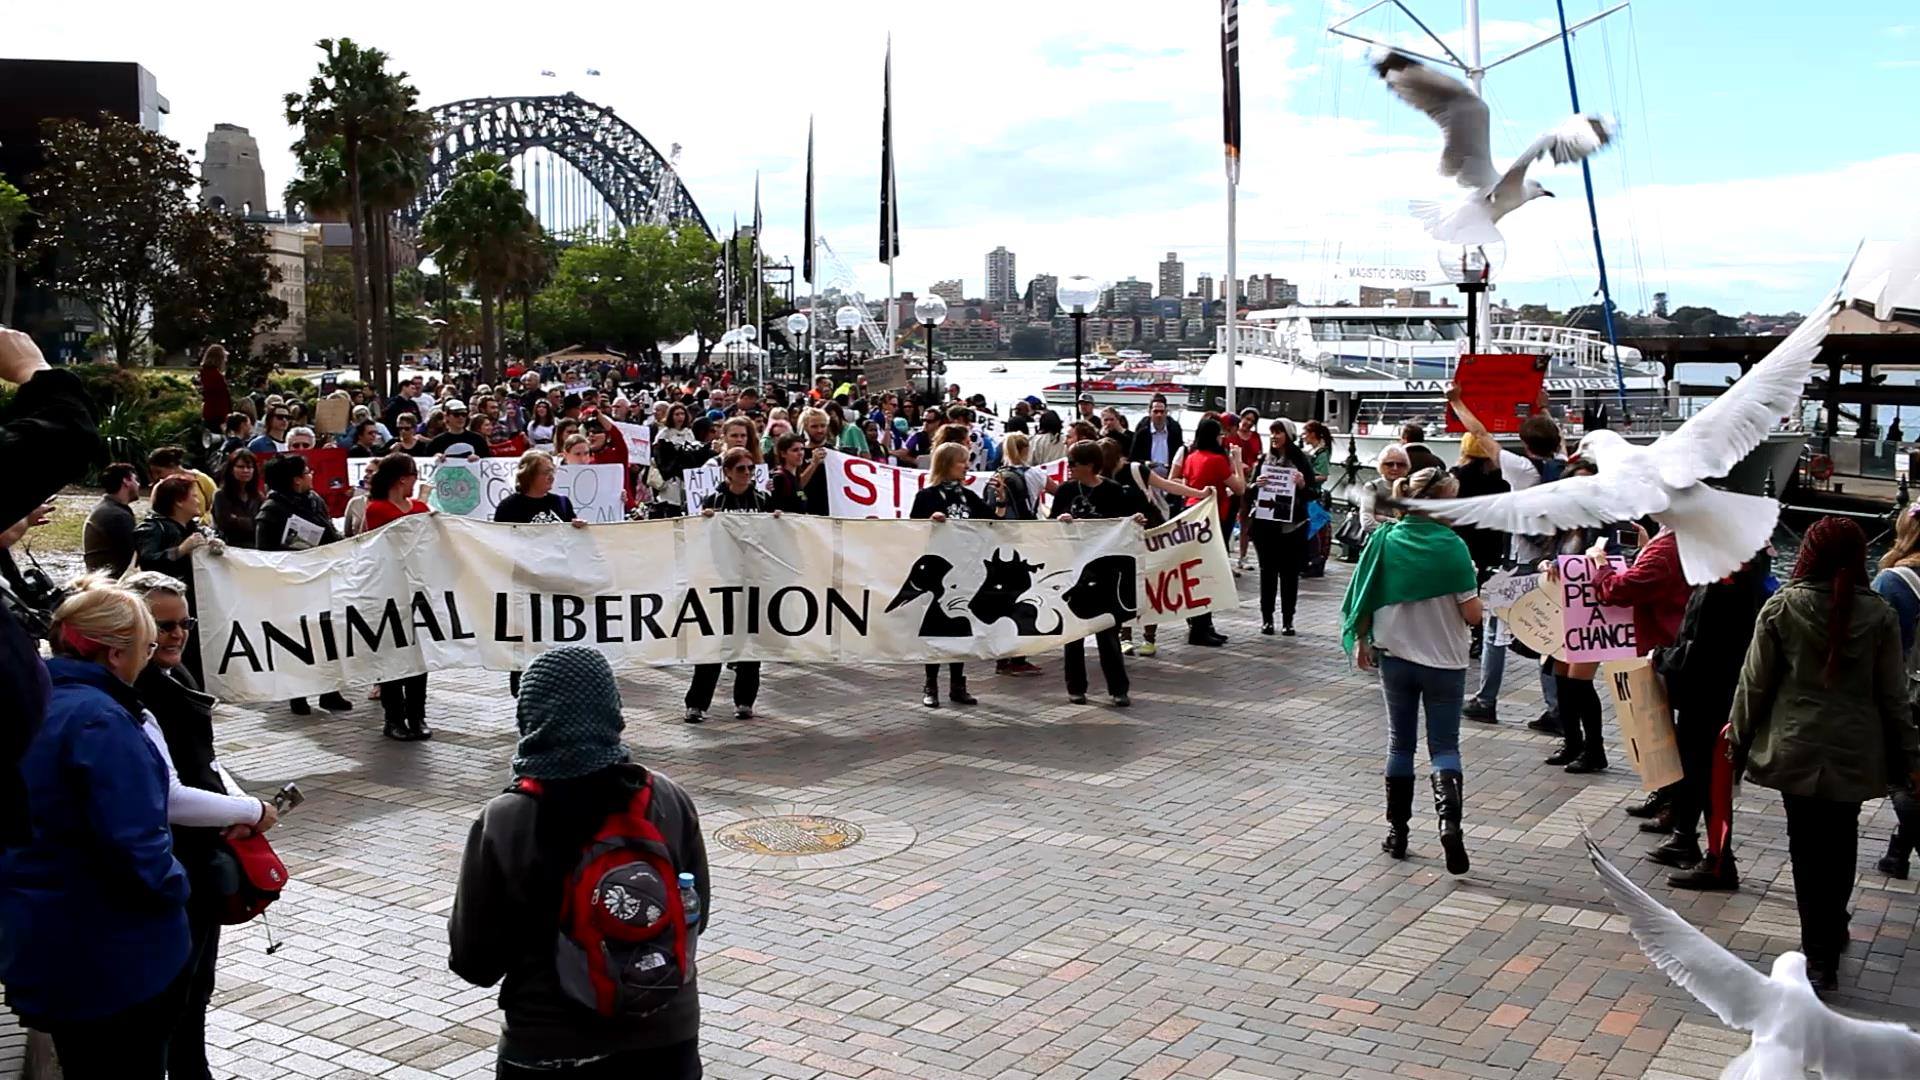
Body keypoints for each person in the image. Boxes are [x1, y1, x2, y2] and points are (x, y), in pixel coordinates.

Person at [451, 646, 708, 1079]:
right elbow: (695, 915)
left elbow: (474, 962)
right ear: (613, 710)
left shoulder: (507, 819)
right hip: (666, 1034)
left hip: (550, 1044)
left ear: (530, 719)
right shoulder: (667, 798)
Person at [0, 577, 190, 1078]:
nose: (150, 657)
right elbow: (136, 844)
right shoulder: (99, 720)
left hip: (43, 932)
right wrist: (177, 887)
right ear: (114, 655)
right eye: (147, 645)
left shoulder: (31, 700)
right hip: (110, 950)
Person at [1731, 517, 1920, 993]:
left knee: (1805, 847)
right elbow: (1894, 696)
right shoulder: (1878, 615)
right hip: (1855, 750)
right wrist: (1909, 756)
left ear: (1809, 553)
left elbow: (1754, 685)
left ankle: (1817, 952)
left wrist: (1738, 740)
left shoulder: (1783, 607)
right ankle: (1830, 934)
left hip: (1796, 746)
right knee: (1841, 842)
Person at [125, 571, 277, 1080]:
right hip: (168, 860)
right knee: (170, 990)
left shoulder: (178, 675)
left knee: (197, 984)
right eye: (162, 625)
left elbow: (204, 762)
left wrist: (235, 804)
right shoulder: (133, 693)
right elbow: (166, 795)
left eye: (184, 623)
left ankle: (194, 1068)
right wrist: (248, 812)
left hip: (200, 853)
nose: (176, 635)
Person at [1341, 467, 1482, 875]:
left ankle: (1397, 833)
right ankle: (1449, 825)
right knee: (1445, 747)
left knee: (1400, 744)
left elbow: (1365, 594)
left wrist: (1363, 641)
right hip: (1445, 661)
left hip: (1396, 656)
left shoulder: (1387, 540)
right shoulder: (1454, 547)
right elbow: (1472, 615)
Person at [1656, 551, 1769, 893]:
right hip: (1713, 692)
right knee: (1695, 771)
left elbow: (1700, 647)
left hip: (1709, 694)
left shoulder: (1725, 583)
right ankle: (1685, 838)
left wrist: (1662, 657)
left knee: (1710, 778)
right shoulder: (1736, 576)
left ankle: (1719, 859)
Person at [254, 454, 356, 716]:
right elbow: (264, 554)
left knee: (327, 637)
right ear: (296, 480)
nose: (312, 475)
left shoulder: (314, 501)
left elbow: (330, 534)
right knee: (296, 641)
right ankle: (297, 694)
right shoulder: (271, 511)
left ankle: (330, 691)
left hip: (320, 579)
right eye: (307, 472)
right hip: (291, 586)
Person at [910, 443, 1009, 707]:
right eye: (961, 462)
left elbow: (992, 523)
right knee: (934, 629)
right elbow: (912, 529)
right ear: (946, 464)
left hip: (963, 572)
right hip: (936, 575)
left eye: (967, 461)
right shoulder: (926, 496)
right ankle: (931, 684)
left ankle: (957, 684)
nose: (966, 467)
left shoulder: (968, 496)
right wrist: (931, 521)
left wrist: (1000, 501)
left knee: (959, 626)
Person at [684, 448, 777, 724]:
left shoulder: (762, 500)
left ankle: (745, 700)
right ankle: (697, 704)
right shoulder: (714, 499)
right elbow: (700, 539)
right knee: (713, 642)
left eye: (751, 469)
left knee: (749, 640)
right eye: (741, 469)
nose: (747, 474)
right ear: (727, 472)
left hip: (752, 578)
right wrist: (705, 519)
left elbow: (774, 538)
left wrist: (779, 520)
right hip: (721, 581)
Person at [1050, 440, 1143, 706]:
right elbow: (1050, 524)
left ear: (1089, 466)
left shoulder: (1113, 490)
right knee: (1074, 634)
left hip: (1105, 574)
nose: (1068, 468)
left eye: (1073, 464)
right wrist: (1060, 521)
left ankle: (1118, 688)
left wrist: (1135, 522)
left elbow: (1125, 525)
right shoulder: (1066, 491)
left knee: (1107, 632)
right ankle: (1076, 687)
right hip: (1073, 572)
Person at [363, 453, 434, 740]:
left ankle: (417, 716)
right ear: (402, 478)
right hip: (388, 587)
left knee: (418, 655)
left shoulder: (418, 506)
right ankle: (394, 718)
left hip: (416, 587)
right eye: (413, 475)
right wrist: (422, 512)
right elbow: (398, 534)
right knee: (393, 654)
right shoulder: (377, 508)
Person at [1872, 507, 1920, 881]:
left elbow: (1870, 643)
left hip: (1905, 693)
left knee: (1901, 775)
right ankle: (1897, 851)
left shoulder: (1893, 582)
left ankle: (1903, 847)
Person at [1177, 417, 1247, 647]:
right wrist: (1237, 461)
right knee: (1207, 573)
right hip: (1211, 521)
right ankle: (1200, 627)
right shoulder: (1217, 459)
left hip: (1192, 516)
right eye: (1219, 434)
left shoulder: (1191, 457)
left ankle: (1203, 624)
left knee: (1198, 571)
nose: (1222, 438)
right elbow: (1239, 487)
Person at [1246, 419, 1319, 636]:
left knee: (1289, 575)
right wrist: (1255, 485)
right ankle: (1267, 619)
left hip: (1292, 528)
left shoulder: (1302, 461)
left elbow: (1314, 493)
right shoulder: (1263, 460)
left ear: (1289, 435)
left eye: (1279, 432)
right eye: (1272, 432)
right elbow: (1249, 491)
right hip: (1265, 528)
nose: (1275, 437)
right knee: (1267, 575)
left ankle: (1288, 620)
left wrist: (1303, 485)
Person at [82, 461, 141, 575]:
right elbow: (136, 557)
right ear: (126, 481)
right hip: (112, 583)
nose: (138, 484)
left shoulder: (108, 508)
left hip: (101, 580)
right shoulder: (116, 515)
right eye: (135, 480)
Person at [210, 449, 263, 548]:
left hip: (254, 550)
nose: (245, 470)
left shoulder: (258, 497)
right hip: (230, 548)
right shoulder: (221, 495)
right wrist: (251, 522)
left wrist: (238, 520)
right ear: (231, 469)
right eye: (240, 467)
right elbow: (225, 524)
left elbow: (261, 527)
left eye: (249, 467)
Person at [146, 446, 217, 511]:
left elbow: (217, 506)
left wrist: (204, 520)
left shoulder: (201, 480)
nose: (156, 477)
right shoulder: (160, 487)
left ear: (172, 465)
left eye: (159, 472)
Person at [1130, 396, 1184, 477]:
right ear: (1149, 412)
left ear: (1166, 412)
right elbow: (1133, 457)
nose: (1159, 415)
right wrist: (1146, 463)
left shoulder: (1174, 430)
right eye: (1155, 412)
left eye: (1162, 412)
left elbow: (1180, 453)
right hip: (1148, 476)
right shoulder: (1142, 431)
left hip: (1169, 476)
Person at [197, 345, 231, 432]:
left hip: (208, 414)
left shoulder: (204, 373)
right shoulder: (216, 376)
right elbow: (222, 400)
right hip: (217, 417)